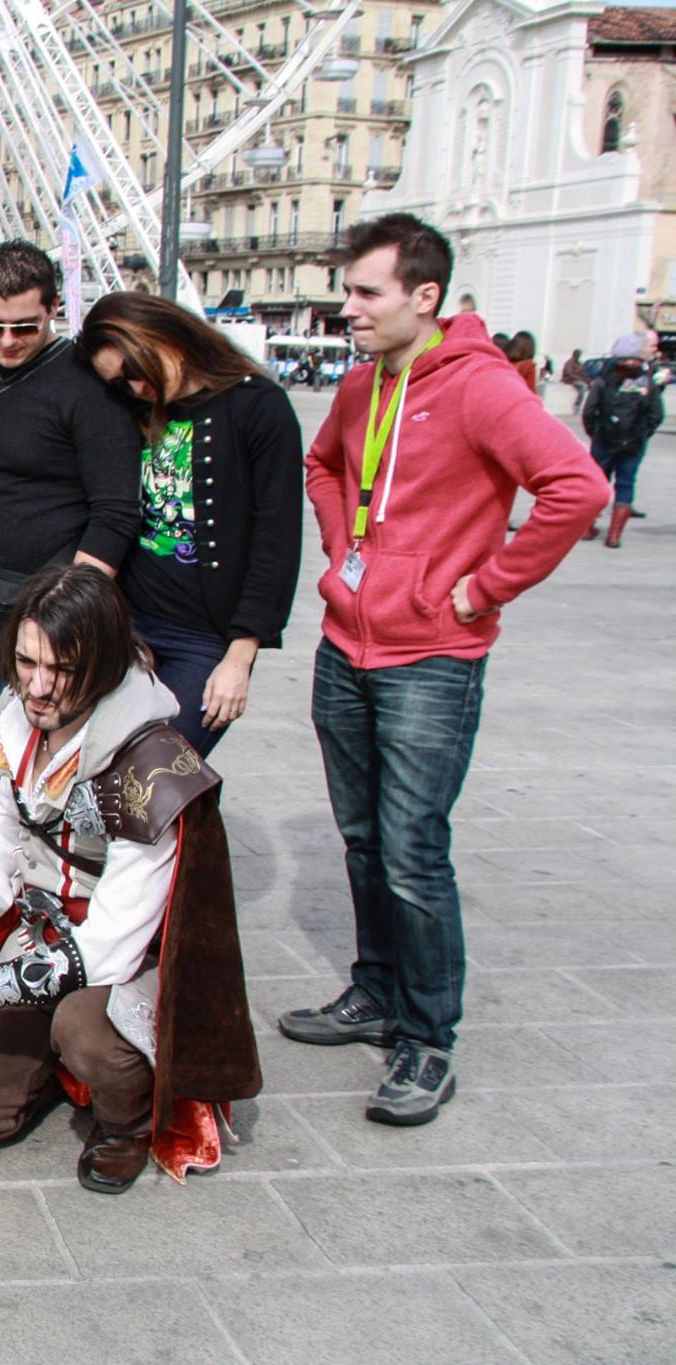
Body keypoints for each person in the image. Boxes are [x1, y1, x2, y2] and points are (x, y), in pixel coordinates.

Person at [280, 214, 606, 1125]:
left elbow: (578, 488)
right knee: (363, 839)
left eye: (366, 293)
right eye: (348, 290)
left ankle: (428, 1038)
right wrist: (345, 547)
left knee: (413, 850)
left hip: (432, 657)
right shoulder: (362, 382)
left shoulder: (480, 387)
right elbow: (323, 465)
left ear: (424, 297)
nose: (349, 308)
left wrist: (484, 585)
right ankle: (376, 990)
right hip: (347, 644)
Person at [0, 564, 259, 1193]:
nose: (37, 688)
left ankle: (126, 1120)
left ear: (102, 667)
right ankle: (55, 1065)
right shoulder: (24, 710)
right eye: (27, 662)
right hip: (44, 939)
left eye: (62, 670)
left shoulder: (152, 763)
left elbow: (110, 945)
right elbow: (7, 820)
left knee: (83, 1031)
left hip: (121, 962)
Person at [0, 241, 141, 821]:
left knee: (55, 780)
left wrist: (67, 620)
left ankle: (50, 875)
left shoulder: (88, 388)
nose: (6, 341)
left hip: (55, 625)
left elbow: (116, 512)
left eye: (24, 327)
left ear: (54, 308)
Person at [77, 291, 304, 757]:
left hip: (205, 639)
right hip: (129, 627)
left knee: (160, 769)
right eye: (119, 385)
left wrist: (240, 657)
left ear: (165, 334)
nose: (135, 388)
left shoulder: (258, 406)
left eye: (134, 369)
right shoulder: (135, 413)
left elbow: (276, 540)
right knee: (104, 767)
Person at [581, 332, 663, 548]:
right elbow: (657, 414)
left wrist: (595, 433)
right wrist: (643, 433)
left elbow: (589, 411)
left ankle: (588, 527)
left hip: (604, 440)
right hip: (633, 442)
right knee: (625, 484)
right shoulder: (646, 381)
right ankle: (614, 535)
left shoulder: (603, 380)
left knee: (597, 483)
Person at [561, 347, 589, 412]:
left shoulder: (579, 363)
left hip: (578, 379)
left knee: (591, 385)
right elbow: (569, 374)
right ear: (574, 354)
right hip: (570, 380)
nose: (578, 356)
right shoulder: (569, 362)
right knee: (583, 386)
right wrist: (580, 379)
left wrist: (587, 379)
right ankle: (577, 404)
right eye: (577, 354)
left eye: (579, 354)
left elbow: (583, 372)